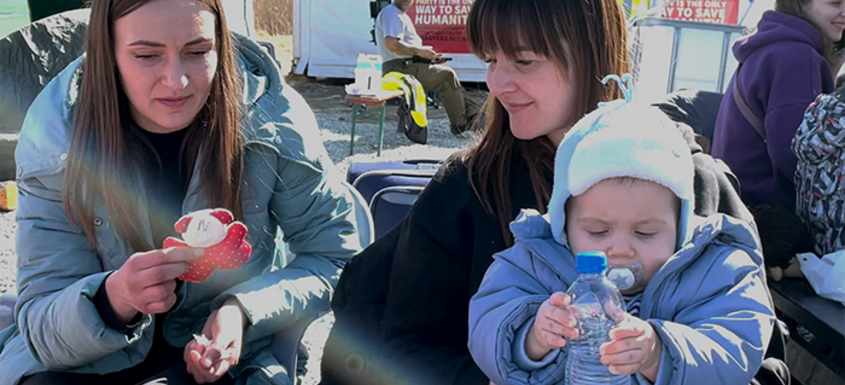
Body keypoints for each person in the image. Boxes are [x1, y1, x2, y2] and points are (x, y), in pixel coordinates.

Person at [320, 0, 760, 384]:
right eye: (492, 60)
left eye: (524, 61)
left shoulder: (693, 184)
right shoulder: (469, 190)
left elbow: (763, 358)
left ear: (592, 54)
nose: (496, 83)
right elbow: (398, 346)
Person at [0, 0, 361, 384]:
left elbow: (336, 256)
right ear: (108, 52)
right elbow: (41, 323)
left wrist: (243, 309)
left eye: (198, 52)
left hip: (231, 362)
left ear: (221, 43)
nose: (176, 80)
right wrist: (111, 299)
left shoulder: (272, 121)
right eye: (147, 55)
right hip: (84, 363)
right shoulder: (56, 141)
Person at [468, 98, 776, 385]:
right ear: (563, 223)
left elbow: (738, 345)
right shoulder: (534, 260)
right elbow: (486, 323)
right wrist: (532, 337)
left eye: (645, 233)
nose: (619, 249)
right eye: (598, 232)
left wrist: (659, 352)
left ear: (680, 225)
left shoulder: (716, 269)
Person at [711, 0, 845, 211]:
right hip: (769, 215)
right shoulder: (796, 56)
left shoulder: (772, 46)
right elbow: (798, 156)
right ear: (799, 3)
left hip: (736, 204)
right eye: (835, 2)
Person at [375, 0, 478, 135]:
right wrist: (419, 51)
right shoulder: (392, 13)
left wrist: (427, 58)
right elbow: (392, 45)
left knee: (450, 80)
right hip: (399, 69)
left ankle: (475, 116)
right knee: (447, 76)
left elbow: (402, 49)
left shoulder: (398, 14)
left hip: (406, 66)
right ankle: (461, 126)